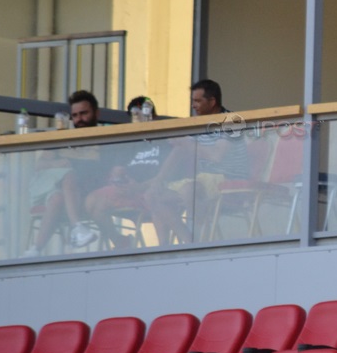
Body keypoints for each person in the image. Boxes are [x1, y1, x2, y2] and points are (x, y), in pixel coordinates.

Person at [146, 80, 249, 244]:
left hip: (228, 179)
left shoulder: (232, 121)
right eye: (192, 101)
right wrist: (159, 179)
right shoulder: (199, 122)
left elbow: (216, 156)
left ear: (212, 101)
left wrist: (185, 141)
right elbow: (179, 150)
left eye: (198, 101)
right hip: (204, 180)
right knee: (152, 196)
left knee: (189, 190)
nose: (193, 105)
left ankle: (199, 243)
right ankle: (174, 244)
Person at [24, 90, 103, 257]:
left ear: (96, 113)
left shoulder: (105, 140)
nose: (79, 119)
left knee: (57, 198)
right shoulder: (63, 138)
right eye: (75, 115)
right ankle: (77, 227)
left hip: (85, 193)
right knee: (68, 175)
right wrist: (56, 163)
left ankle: (35, 250)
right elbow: (38, 166)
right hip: (50, 188)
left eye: (84, 113)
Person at [84, 96, 167, 250]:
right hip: (127, 191)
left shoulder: (164, 139)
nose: (138, 118)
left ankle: (162, 249)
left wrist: (141, 186)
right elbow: (117, 171)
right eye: (134, 115)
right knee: (92, 201)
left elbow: (167, 175)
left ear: (152, 115)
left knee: (154, 197)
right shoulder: (129, 143)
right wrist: (120, 181)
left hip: (152, 192)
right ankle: (120, 241)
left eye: (142, 113)